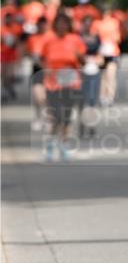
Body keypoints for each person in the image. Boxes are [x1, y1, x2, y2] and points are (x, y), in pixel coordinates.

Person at [40, 13, 87, 161]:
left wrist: (79, 56)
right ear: (55, 25)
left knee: (66, 116)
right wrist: (46, 71)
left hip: (71, 82)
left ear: (68, 25)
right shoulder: (49, 41)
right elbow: (42, 59)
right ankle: (50, 144)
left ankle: (64, 144)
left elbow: (84, 61)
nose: (61, 26)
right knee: (56, 115)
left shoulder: (75, 40)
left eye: (64, 23)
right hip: (53, 83)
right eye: (59, 23)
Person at [25, 16, 53, 130]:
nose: (42, 26)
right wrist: (34, 57)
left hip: (49, 70)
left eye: (44, 24)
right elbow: (27, 52)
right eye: (40, 24)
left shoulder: (52, 37)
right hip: (37, 69)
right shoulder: (33, 38)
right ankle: (38, 117)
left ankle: (48, 118)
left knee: (48, 96)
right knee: (38, 96)